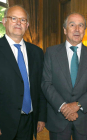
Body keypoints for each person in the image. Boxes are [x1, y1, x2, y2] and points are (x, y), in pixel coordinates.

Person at [41, 13, 87, 140]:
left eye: (80, 25)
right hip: (58, 120)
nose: (77, 29)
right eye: (72, 25)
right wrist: (64, 107)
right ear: (65, 30)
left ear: (84, 31)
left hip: (84, 120)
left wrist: (78, 105)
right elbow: (46, 83)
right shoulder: (51, 53)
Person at [0, 5, 46, 140]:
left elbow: (41, 87)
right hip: (4, 123)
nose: (18, 23)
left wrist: (41, 117)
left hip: (29, 121)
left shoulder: (37, 52)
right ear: (4, 21)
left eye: (23, 20)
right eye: (13, 18)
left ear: (28, 25)